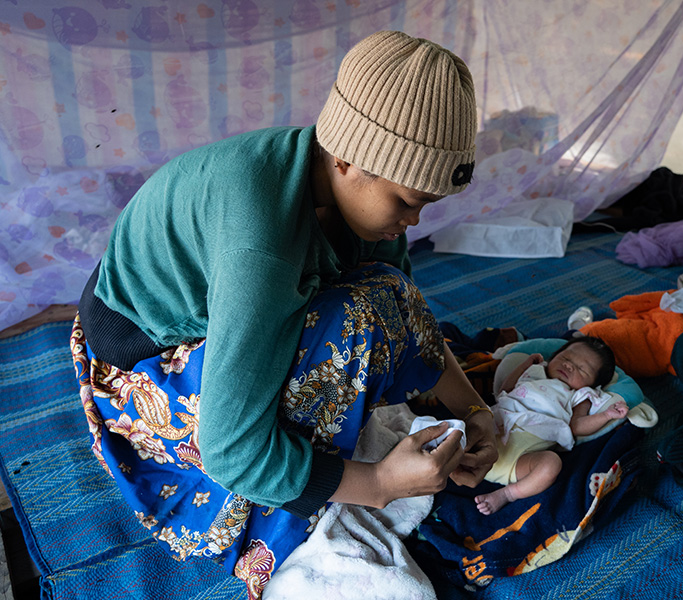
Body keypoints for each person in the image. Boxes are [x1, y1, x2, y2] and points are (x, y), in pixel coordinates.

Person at [71, 30, 497, 588]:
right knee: (355, 328)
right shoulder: (261, 245)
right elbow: (232, 451)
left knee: (384, 296)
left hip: (231, 307)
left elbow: (407, 317)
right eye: (407, 203)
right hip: (140, 361)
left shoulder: (361, 204)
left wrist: (475, 411)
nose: (412, 223)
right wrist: (381, 484)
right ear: (347, 159)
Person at [474, 336, 628, 515]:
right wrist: (525, 365)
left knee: (551, 464)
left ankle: (508, 494)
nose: (569, 366)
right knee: (467, 418)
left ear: (592, 383)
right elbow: (504, 391)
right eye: (566, 358)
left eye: (581, 369)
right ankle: (439, 467)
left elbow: (576, 426)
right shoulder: (535, 373)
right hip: (490, 432)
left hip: (521, 458)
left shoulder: (579, 395)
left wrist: (606, 415)